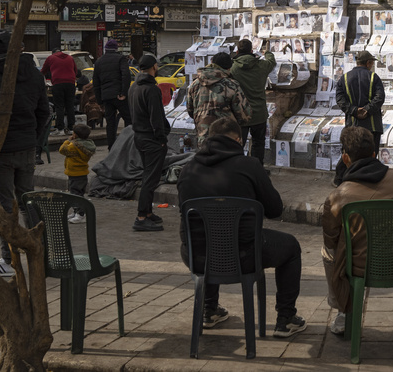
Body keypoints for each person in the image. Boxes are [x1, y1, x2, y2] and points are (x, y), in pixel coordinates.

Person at [177, 117, 307, 336]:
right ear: (239, 140)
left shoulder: (188, 169)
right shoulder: (249, 166)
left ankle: (209, 309)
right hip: (244, 255)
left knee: (209, 236)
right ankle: (285, 318)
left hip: (196, 255)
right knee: (291, 246)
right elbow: (275, 209)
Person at [322, 126, 393, 335]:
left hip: (359, 266)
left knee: (327, 253)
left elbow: (331, 241)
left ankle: (343, 311)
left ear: (345, 158)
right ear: (375, 154)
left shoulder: (337, 196)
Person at [0, 29, 52, 278]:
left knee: (5, 206)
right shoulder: (33, 74)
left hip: (1, 151)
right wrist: (33, 139)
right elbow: (43, 113)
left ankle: (9, 260)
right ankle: (42, 253)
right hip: (26, 147)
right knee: (28, 200)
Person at [129, 54, 169, 232]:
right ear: (154, 67)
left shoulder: (134, 87)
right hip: (151, 138)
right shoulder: (151, 89)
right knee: (150, 179)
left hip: (139, 136)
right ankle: (141, 216)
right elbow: (157, 117)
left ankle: (148, 212)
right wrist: (161, 138)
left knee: (149, 175)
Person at [334, 50, 385, 186]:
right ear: (368, 63)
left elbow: (339, 98)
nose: (372, 65)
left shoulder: (344, 78)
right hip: (372, 126)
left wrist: (353, 110)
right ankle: (365, 181)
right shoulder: (374, 77)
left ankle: (339, 179)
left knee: (350, 152)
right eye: (372, 62)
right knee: (371, 154)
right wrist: (367, 110)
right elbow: (379, 97)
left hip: (353, 125)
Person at [187, 52, 251, 148]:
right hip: (228, 139)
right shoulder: (232, 85)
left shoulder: (195, 84)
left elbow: (190, 111)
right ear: (229, 68)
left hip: (204, 139)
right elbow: (244, 116)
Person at [229, 39, 277, 164]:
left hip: (240, 113)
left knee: (238, 144)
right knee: (258, 143)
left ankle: (238, 170)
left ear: (238, 51)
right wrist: (267, 52)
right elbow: (272, 61)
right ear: (251, 50)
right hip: (259, 113)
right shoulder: (261, 66)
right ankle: (257, 169)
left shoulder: (233, 68)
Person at [93, 39, 132, 150]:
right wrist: (124, 92)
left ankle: (111, 147)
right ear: (116, 49)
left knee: (110, 123)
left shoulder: (99, 61)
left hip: (106, 96)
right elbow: (126, 76)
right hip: (119, 96)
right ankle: (128, 144)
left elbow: (96, 82)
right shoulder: (121, 59)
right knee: (129, 119)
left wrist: (100, 100)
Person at [58, 122, 96, 224]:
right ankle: (76, 212)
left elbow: (61, 150)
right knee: (79, 193)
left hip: (74, 173)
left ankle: (80, 214)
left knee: (75, 195)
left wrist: (67, 141)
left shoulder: (74, 146)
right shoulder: (88, 144)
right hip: (82, 173)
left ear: (75, 135)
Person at [42, 48, 78, 136]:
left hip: (58, 84)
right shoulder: (70, 58)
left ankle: (60, 128)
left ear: (53, 53)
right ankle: (71, 128)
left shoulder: (51, 58)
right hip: (70, 84)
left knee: (59, 106)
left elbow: (42, 72)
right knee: (70, 105)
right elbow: (76, 71)